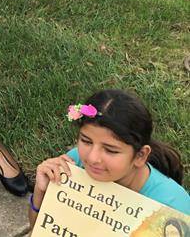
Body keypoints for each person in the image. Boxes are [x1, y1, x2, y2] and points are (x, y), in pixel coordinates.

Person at [29, 89, 189, 228]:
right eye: (86, 141)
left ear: (140, 155)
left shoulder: (172, 206)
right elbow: (39, 230)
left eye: (110, 150)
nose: (92, 158)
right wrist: (41, 194)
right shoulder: (73, 164)